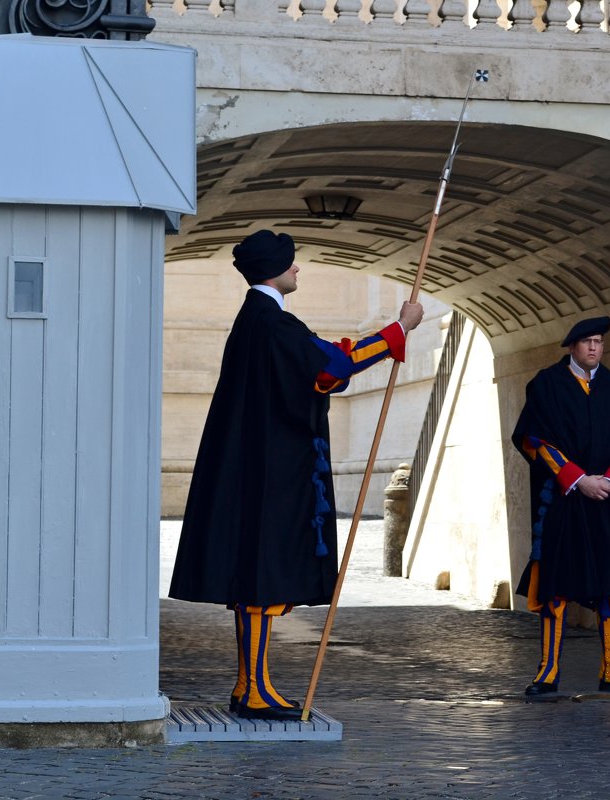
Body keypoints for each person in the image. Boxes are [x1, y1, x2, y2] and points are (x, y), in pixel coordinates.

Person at [168, 229, 424, 720]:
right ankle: (257, 691)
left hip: (260, 472)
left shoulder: (259, 321)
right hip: (273, 476)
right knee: (264, 580)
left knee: (256, 581)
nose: (299, 269)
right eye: (292, 262)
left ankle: (250, 686)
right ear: (274, 269)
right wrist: (399, 330)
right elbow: (333, 364)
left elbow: (325, 372)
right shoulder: (270, 323)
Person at [512, 315, 610, 697]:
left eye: (599, 342)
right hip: (566, 499)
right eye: (587, 342)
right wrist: (578, 480)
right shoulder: (547, 385)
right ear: (572, 346)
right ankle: (548, 670)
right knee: (557, 582)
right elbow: (535, 439)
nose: (594, 348)